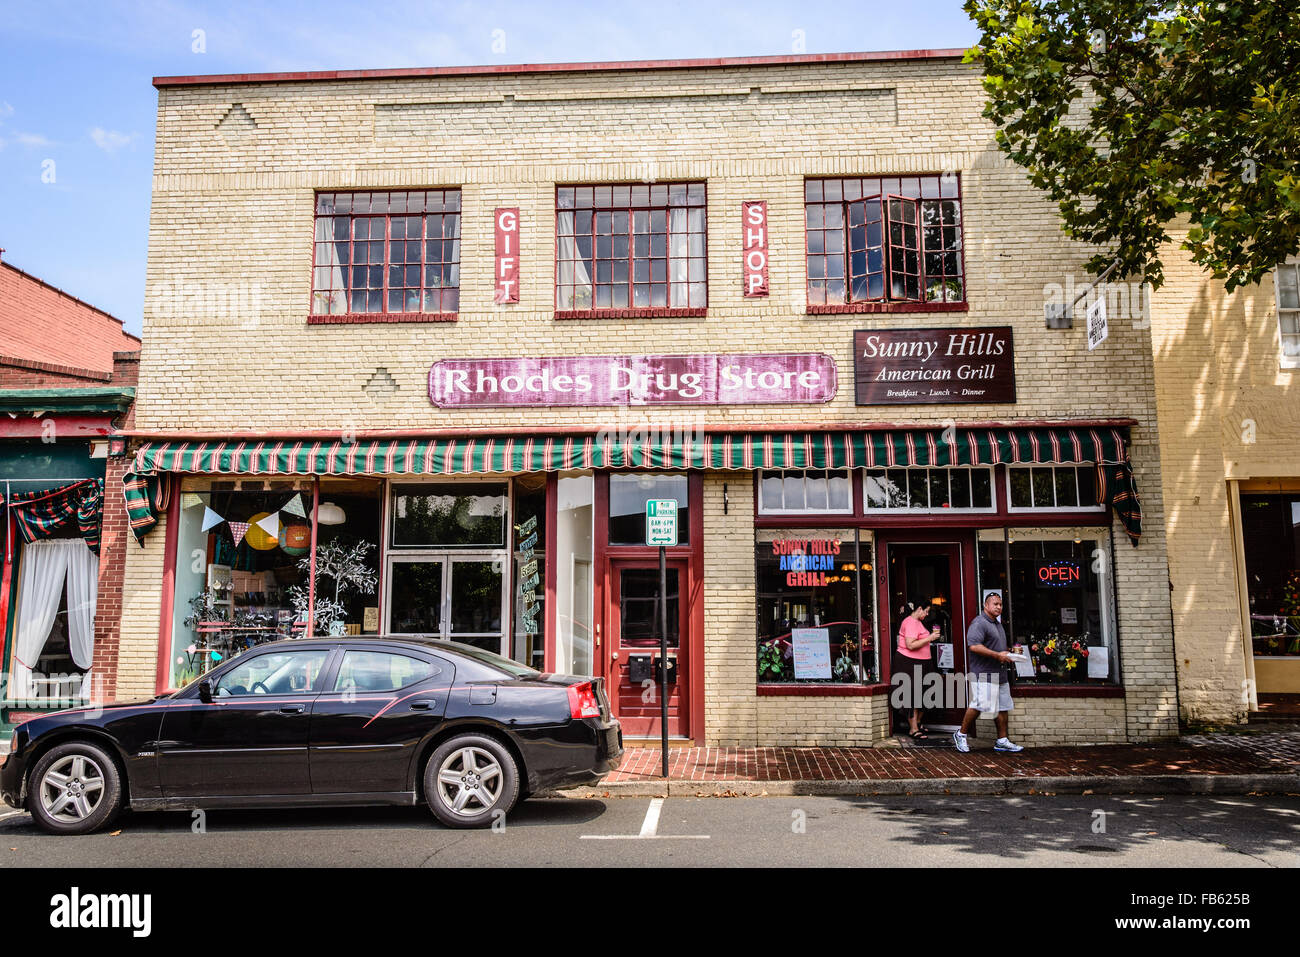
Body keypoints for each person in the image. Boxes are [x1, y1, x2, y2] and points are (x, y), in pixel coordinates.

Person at [953, 592, 1024, 753]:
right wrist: (997, 655)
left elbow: (997, 648)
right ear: (986, 605)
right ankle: (961, 734)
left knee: (1003, 707)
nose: (999, 607)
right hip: (984, 673)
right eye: (995, 604)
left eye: (1000, 604)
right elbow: (974, 646)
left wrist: (1009, 653)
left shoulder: (997, 624)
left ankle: (1002, 740)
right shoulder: (979, 623)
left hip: (1000, 674)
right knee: (979, 705)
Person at [896, 599, 941, 740]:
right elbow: (910, 645)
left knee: (927, 693)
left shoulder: (918, 622)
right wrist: (931, 638)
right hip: (909, 662)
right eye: (926, 611)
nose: (927, 614)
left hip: (922, 663)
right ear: (919, 608)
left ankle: (918, 722)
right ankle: (913, 729)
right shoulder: (910, 622)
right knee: (913, 695)